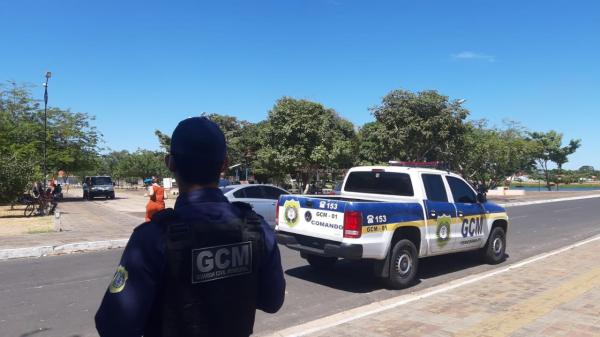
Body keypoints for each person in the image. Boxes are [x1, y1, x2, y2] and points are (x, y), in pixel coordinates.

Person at [95, 117, 286, 337]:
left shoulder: (152, 238)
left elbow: (114, 326)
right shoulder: (257, 229)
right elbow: (272, 301)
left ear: (170, 163)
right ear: (225, 163)